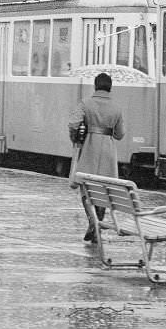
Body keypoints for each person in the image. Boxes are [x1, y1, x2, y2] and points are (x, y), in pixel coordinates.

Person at [67, 72, 125, 243]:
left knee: (86, 188)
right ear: (110, 87)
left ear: (95, 86)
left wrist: (75, 137)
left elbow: (73, 123)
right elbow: (120, 134)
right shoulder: (117, 107)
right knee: (105, 189)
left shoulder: (86, 103)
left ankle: (93, 222)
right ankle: (98, 223)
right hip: (108, 149)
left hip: (89, 148)